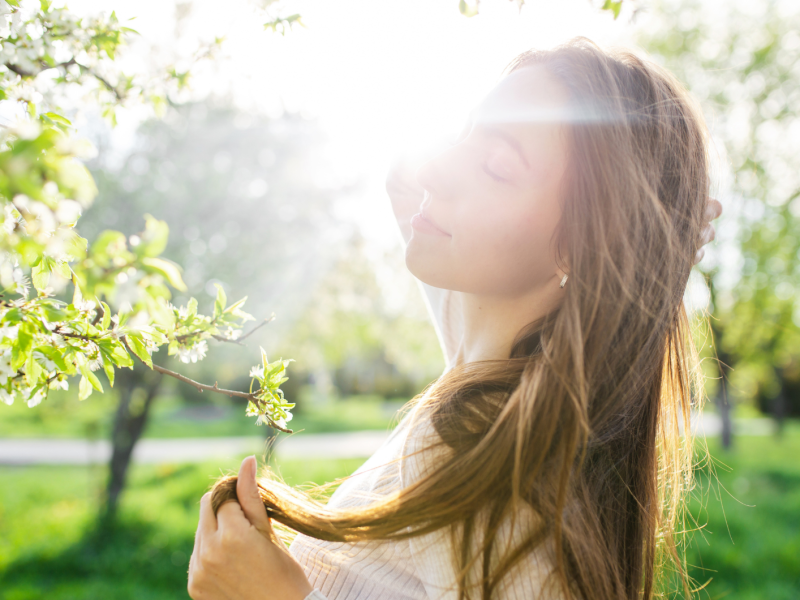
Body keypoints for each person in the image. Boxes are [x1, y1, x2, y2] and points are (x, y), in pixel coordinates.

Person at [187, 38, 723, 600]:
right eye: (464, 134)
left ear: (582, 244)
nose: (436, 169)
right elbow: (404, 177)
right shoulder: (486, 362)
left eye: (496, 166)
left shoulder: (507, 481)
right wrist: (658, 243)